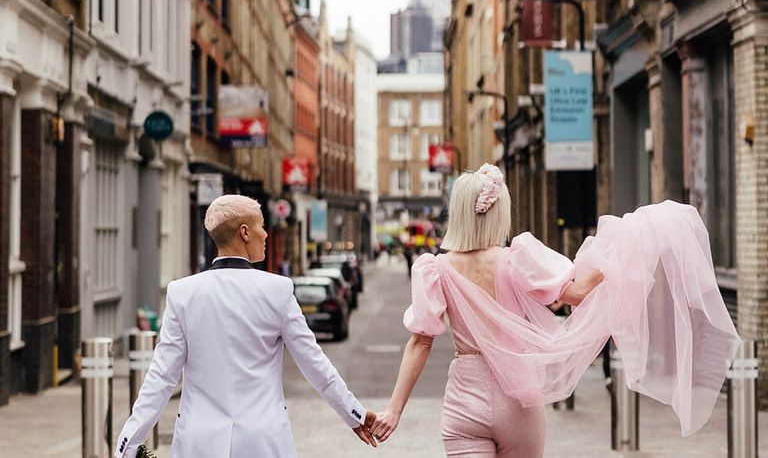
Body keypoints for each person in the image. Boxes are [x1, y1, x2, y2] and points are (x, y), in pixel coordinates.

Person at [370, 164, 739, 456]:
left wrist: (394, 410)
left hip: (464, 401)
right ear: (499, 213)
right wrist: (625, 248)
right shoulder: (517, 258)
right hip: (519, 399)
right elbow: (576, 293)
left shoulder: (435, 269)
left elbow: (420, 342)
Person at [114, 194, 376, 458]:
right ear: (244, 233)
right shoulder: (277, 290)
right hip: (263, 440)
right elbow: (314, 363)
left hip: (199, 443)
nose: (266, 234)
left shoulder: (182, 293)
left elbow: (161, 376)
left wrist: (126, 445)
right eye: (261, 226)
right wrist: (355, 414)